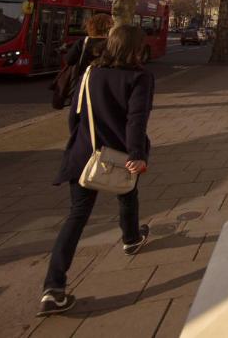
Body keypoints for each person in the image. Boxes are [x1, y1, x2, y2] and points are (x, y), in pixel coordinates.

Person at [38, 24, 155, 317]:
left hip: (84, 153)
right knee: (127, 193)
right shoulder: (140, 77)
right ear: (135, 48)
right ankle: (130, 239)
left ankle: (53, 288)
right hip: (120, 152)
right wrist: (137, 154)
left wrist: (80, 144)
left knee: (77, 216)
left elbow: (75, 115)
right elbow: (136, 119)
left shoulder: (91, 72)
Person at [50, 13, 113, 109]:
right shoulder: (113, 44)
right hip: (105, 86)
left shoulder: (83, 42)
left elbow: (69, 60)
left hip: (83, 83)